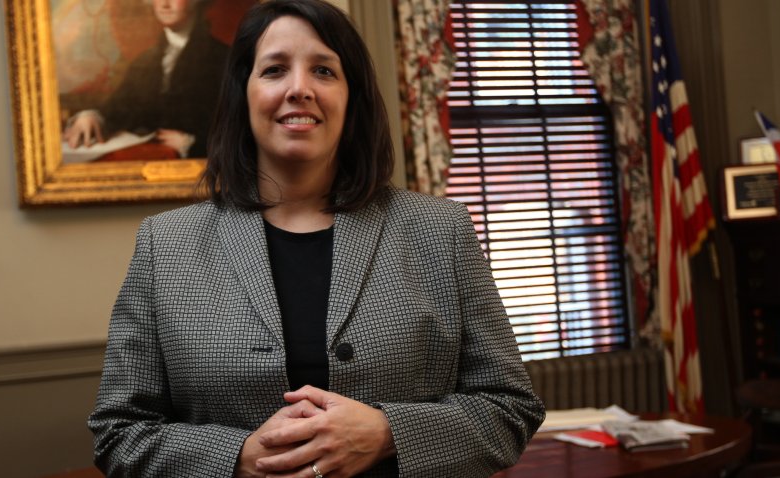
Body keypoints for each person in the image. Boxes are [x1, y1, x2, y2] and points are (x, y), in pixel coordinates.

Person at [88, 0, 544, 476]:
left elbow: (510, 409)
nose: (299, 88)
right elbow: (120, 430)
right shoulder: (166, 244)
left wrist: (388, 433)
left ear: (352, 98)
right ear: (243, 94)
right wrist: (239, 458)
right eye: (275, 70)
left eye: (324, 71)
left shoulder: (440, 229)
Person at [63, 0, 228, 158]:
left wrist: (192, 144)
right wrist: (92, 116)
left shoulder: (224, 58)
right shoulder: (144, 61)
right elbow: (120, 106)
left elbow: (240, 130)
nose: (164, 4)